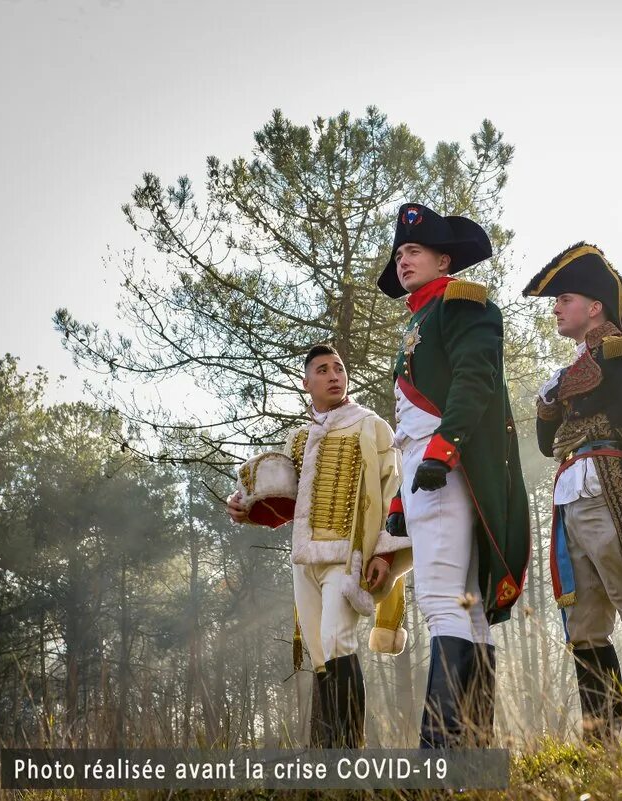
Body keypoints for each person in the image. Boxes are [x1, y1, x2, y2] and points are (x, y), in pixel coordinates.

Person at [376, 203, 531, 748]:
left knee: (442, 601)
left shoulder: (461, 303)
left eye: (414, 251)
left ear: (444, 260)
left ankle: (437, 754)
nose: (403, 260)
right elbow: (408, 423)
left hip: (447, 466)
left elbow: (475, 378)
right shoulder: (420, 317)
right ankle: (470, 750)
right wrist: (401, 495)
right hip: (425, 466)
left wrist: (443, 450)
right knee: (466, 607)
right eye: (399, 253)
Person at [524, 242, 622, 741]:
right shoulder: (563, 374)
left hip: (610, 487)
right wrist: (548, 405)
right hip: (570, 494)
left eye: (565, 298)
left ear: (595, 306)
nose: (556, 307)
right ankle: (601, 744)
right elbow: (548, 443)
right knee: (585, 627)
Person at [228, 343, 412, 747]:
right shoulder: (298, 439)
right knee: (319, 652)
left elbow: (393, 493)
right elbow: (279, 498)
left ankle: (349, 754)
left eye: (339, 368)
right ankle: (325, 756)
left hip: (349, 558)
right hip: (304, 560)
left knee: (336, 642)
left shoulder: (373, 427)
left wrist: (383, 552)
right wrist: (241, 504)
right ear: (306, 382)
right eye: (323, 370)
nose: (334, 375)